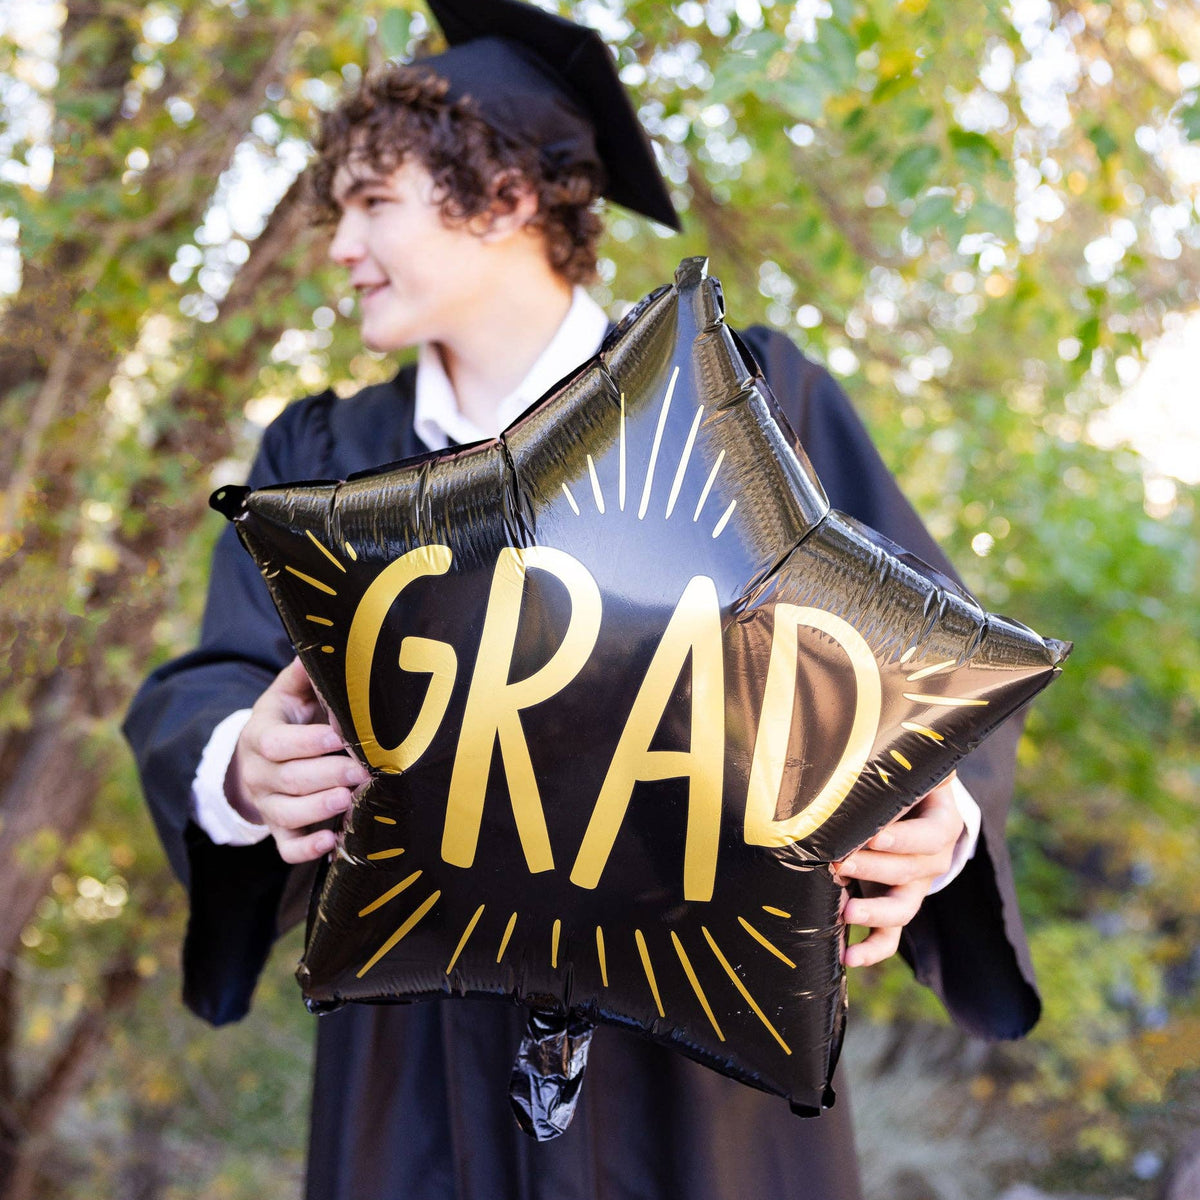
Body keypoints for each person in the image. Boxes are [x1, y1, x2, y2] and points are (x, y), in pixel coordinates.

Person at [123, 2, 1040, 1196]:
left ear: (504, 197)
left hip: (705, 1084)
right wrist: (244, 764)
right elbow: (218, 682)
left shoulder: (745, 404)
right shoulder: (325, 458)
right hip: (417, 1089)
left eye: (371, 202)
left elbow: (928, 656)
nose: (339, 244)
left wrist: (937, 818)